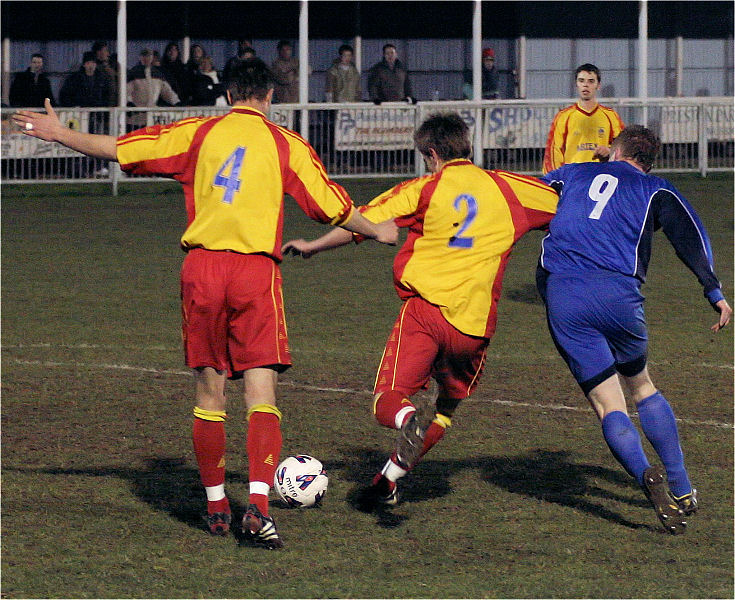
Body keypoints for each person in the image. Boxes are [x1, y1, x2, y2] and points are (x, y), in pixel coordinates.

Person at [12, 58, 398, 548]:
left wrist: (59, 133)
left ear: (229, 93)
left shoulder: (198, 132)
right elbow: (334, 205)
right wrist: (378, 230)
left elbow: (117, 148)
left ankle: (216, 504)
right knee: (261, 393)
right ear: (271, 96)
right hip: (254, 272)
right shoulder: (285, 144)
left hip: (203, 270)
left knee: (209, 395)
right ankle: (257, 507)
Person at [282, 113, 558, 508]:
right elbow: (566, 206)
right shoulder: (508, 187)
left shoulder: (424, 188)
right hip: (474, 327)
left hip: (426, 314)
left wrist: (313, 245)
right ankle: (389, 480)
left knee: (388, 400)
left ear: (431, 153)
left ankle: (406, 420)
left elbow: (363, 219)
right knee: (446, 406)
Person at [536, 125, 731, 534]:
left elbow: (520, 194)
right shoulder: (656, 189)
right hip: (620, 297)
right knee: (642, 386)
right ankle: (681, 487)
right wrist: (712, 288)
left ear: (614, 149)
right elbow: (690, 234)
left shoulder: (571, 173)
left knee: (609, 405)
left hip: (565, 295)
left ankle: (645, 473)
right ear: (649, 160)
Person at [542, 63, 624, 174]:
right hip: (574, 178)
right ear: (576, 84)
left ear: (598, 85)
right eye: (581, 81)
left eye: (591, 81)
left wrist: (609, 151)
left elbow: (624, 148)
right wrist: (555, 181)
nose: (586, 85)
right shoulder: (564, 117)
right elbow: (553, 153)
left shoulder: (611, 116)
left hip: (601, 178)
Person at [92, 41, 119, 106]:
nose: (108, 54)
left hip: (113, 103)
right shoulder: (96, 68)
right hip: (103, 105)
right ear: (99, 52)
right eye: (106, 50)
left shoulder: (111, 65)